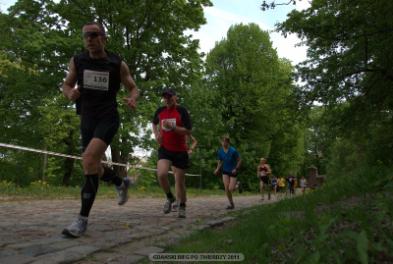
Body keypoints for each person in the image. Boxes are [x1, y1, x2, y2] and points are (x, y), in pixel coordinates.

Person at [61, 22, 138, 238]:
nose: (89, 39)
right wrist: (69, 93)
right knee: (93, 164)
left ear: (103, 38)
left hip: (108, 117)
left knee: (88, 159)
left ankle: (81, 220)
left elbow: (133, 87)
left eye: (94, 35)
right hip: (87, 118)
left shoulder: (116, 63)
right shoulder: (78, 60)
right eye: (85, 35)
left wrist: (132, 98)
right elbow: (66, 85)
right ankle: (120, 182)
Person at [152, 88, 192, 218]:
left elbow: (188, 131)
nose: (167, 99)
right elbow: (154, 123)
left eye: (170, 97)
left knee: (180, 182)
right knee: (162, 174)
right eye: (165, 97)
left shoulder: (182, 111)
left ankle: (182, 206)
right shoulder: (160, 111)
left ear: (175, 97)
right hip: (165, 149)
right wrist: (157, 134)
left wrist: (174, 128)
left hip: (180, 151)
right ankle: (170, 197)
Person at [214, 136, 241, 209]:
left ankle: (237, 185)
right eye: (222, 141)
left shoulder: (233, 151)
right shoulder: (220, 151)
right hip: (225, 171)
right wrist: (217, 169)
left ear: (228, 142)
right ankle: (232, 204)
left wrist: (236, 168)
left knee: (231, 189)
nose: (223, 143)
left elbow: (239, 160)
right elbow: (220, 161)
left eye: (224, 141)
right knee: (226, 189)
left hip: (233, 171)